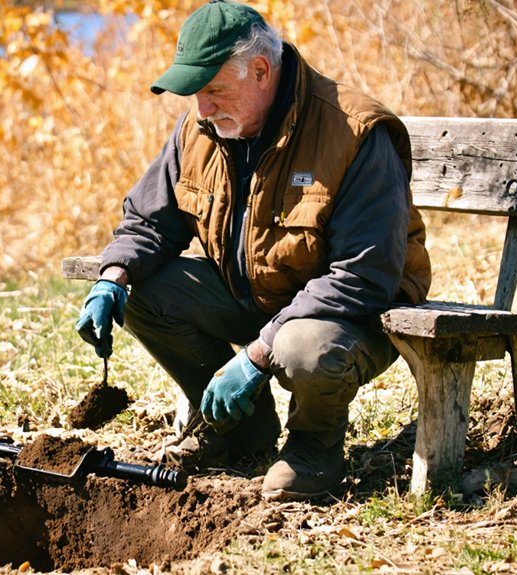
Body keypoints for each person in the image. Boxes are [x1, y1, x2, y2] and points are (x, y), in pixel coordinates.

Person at [75, 0, 431, 500]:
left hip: (354, 315)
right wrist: (112, 277)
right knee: (141, 290)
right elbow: (149, 222)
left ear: (261, 71)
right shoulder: (200, 130)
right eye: (196, 93)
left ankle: (313, 450)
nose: (202, 108)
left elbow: (364, 275)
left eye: (215, 90)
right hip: (257, 295)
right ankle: (240, 431)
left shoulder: (352, 131)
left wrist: (258, 354)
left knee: (302, 347)